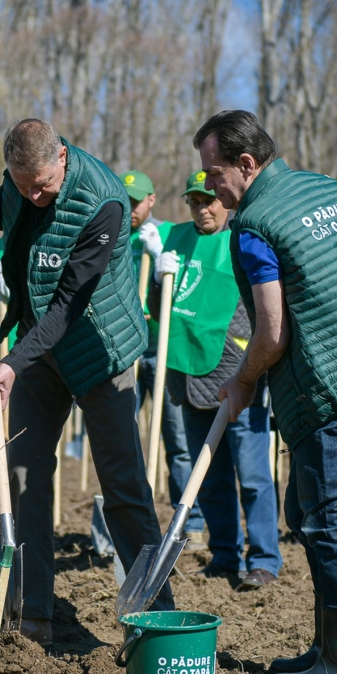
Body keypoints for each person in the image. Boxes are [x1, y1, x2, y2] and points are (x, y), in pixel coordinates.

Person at [196, 110, 337, 674]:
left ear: (246, 164)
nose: (209, 186)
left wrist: (241, 382)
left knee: (328, 518)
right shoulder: (329, 188)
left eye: (214, 173)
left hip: (333, 385)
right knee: (308, 507)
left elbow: (271, 335)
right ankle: (328, 647)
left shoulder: (254, 226)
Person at [0, 118, 174, 648]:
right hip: (40, 349)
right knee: (25, 473)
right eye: (20, 184)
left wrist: (12, 362)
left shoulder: (103, 201)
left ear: (62, 156)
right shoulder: (22, 180)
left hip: (100, 350)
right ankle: (33, 614)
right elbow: (10, 220)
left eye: (42, 186)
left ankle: (155, 616)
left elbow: (70, 304)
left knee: (122, 485)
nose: (32, 195)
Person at [149, 171, 280, 589]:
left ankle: (263, 559)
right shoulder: (176, 239)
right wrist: (157, 278)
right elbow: (162, 310)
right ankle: (224, 554)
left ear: (224, 200)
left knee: (254, 475)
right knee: (209, 476)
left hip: (238, 374)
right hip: (186, 372)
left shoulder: (246, 237)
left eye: (209, 200)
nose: (203, 209)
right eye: (194, 202)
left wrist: (254, 370)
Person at [120, 170, 202, 547]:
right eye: (126, 201)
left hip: (166, 348)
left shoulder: (170, 235)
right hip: (125, 350)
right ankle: (133, 520)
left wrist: (158, 255)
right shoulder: (113, 234)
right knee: (122, 438)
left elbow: (186, 285)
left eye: (137, 202)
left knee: (177, 439)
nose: (131, 209)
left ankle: (192, 521)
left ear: (152, 200)